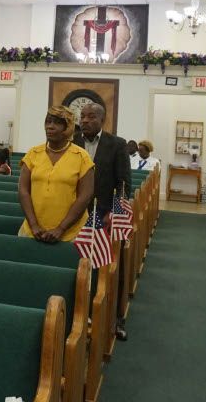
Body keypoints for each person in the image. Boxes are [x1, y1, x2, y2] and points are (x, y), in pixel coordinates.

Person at [75, 102, 130, 340]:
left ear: (101, 120)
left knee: (105, 267)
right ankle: (79, 313)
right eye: (82, 116)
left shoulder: (116, 144)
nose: (85, 120)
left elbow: (124, 184)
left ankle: (116, 319)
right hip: (75, 213)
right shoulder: (72, 141)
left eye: (90, 117)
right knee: (78, 265)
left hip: (102, 213)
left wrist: (116, 214)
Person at [19, 106, 94, 242]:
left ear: (68, 127)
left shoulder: (82, 157)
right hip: (33, 230)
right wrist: (34, 225)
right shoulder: (33, 154)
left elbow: (85, 197)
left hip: (71, 233)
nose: (50, 127)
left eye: (57, 123)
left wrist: (61, 228)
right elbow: (23, 191)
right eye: (48, 122)